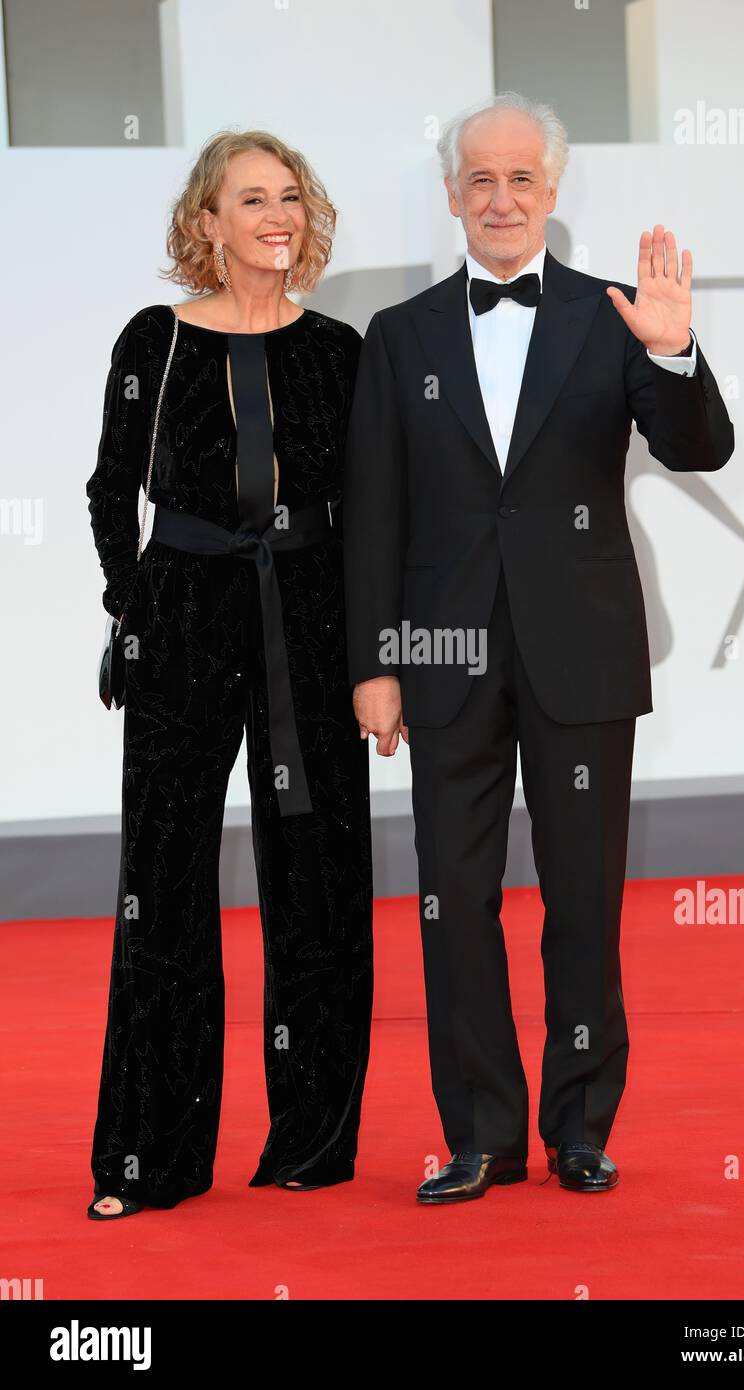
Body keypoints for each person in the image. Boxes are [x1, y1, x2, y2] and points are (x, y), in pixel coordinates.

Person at [342, 92, 734, 1204]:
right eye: (479, 179)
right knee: (452, 897)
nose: (500, 197)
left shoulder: (613, 317)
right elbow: (374, 514)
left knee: (581, 896)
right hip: (442, 651)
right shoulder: (399, 335)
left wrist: (673, 351)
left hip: (581, 650)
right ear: (453, 196)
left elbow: (698, 446)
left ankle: (577, 1127)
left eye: (520, 178)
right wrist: (373, 663)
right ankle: (479, 1134)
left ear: (551, 193)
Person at [85, 130, 373, 1219]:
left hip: (309, 615)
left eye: (289, 197)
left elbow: (369, 514)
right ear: (205, 223)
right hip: (187, 613)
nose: (275, 217)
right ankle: (148, 1157)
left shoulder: (339, 349)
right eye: (249, 200)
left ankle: (310, 1141)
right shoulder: (151, 341)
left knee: (321, 877)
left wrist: (372, 657)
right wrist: (133, 611)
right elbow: (113, 491)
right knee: (160, 882)